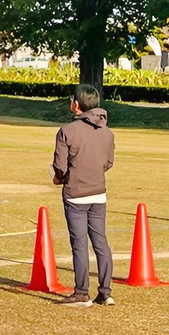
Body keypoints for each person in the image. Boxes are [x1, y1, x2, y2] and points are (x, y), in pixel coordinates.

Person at [51, 83, 115, 307]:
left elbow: (60, 167)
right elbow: (108, 162)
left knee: (79, 244)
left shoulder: (67, 131)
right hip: (98, 192)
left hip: (76, 194)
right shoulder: (107, 132)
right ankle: (105, 292)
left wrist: (60, 178)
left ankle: (81, 292)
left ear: (76, 104)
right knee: (101, 242)